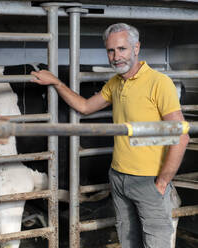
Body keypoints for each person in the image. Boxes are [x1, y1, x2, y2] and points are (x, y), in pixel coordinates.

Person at [31, 23, 189, 248]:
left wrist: (163, 182)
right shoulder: (116, 83)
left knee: (157, 243)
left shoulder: (159, 83)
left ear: (136, 48)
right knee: (127, 240)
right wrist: (56, 82)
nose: (116, 56)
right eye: (111, 51)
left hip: (149, 181)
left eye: (122, 49)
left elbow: (181, 135)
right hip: (118, 177)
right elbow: (85, 106)